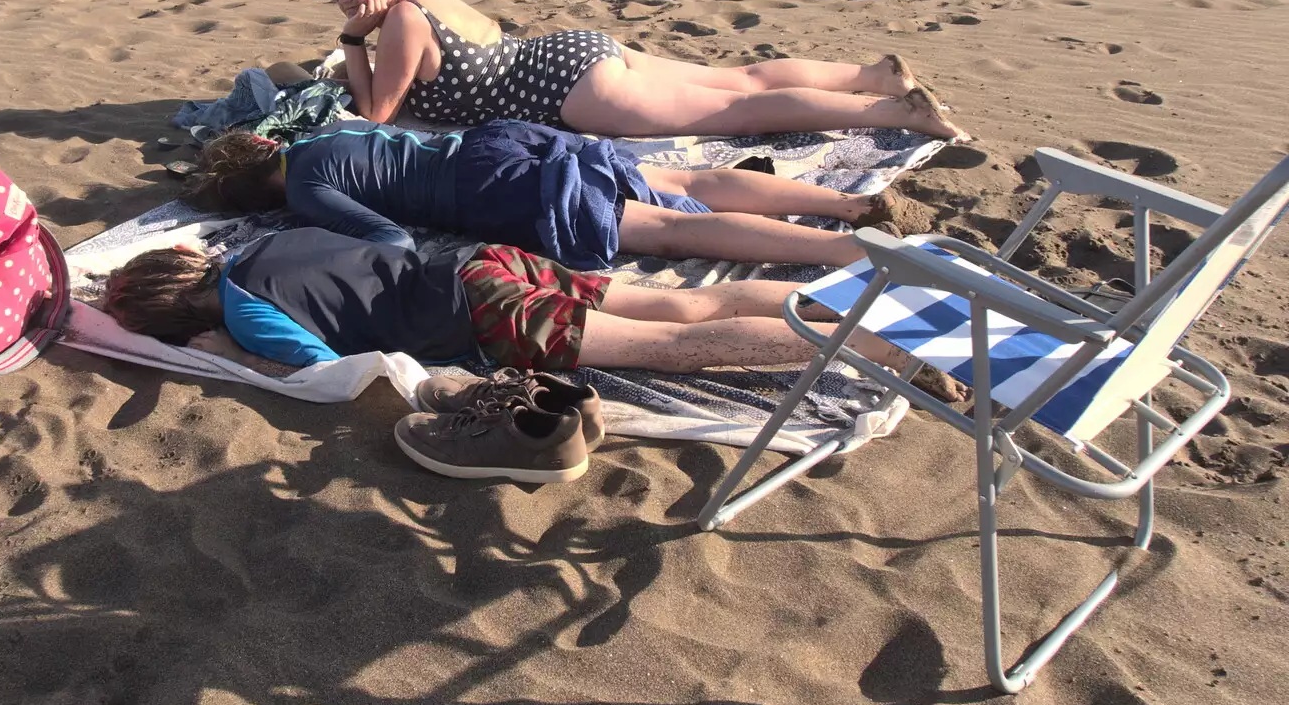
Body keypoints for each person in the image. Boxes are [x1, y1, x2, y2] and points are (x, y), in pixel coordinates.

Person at [100, 228, 953, 482]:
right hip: (481, 261)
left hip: (487, 313)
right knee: (687, 301)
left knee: (679, 347)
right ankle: (876, 305)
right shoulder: (266, 246)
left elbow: (317, 370)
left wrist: (231, 354)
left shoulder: (249, 316)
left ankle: (888, 343)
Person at [323, 0, 968, 139]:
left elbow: (379, 113)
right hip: (567, 52)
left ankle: (892, 111)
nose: (348, 0)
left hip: (565, 92)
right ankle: (874, 75)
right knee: (739, 78)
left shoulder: (402, 21)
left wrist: (354, 43)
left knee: (732, 112)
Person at [188, 119, 930, 271]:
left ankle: (843, 246)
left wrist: (318, 241)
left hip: (489, 187)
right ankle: (849, 206)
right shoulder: (320, 140)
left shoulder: (310, 187)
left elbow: (392, 242)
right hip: (498, 141)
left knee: (670, 229)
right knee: (683, 180)